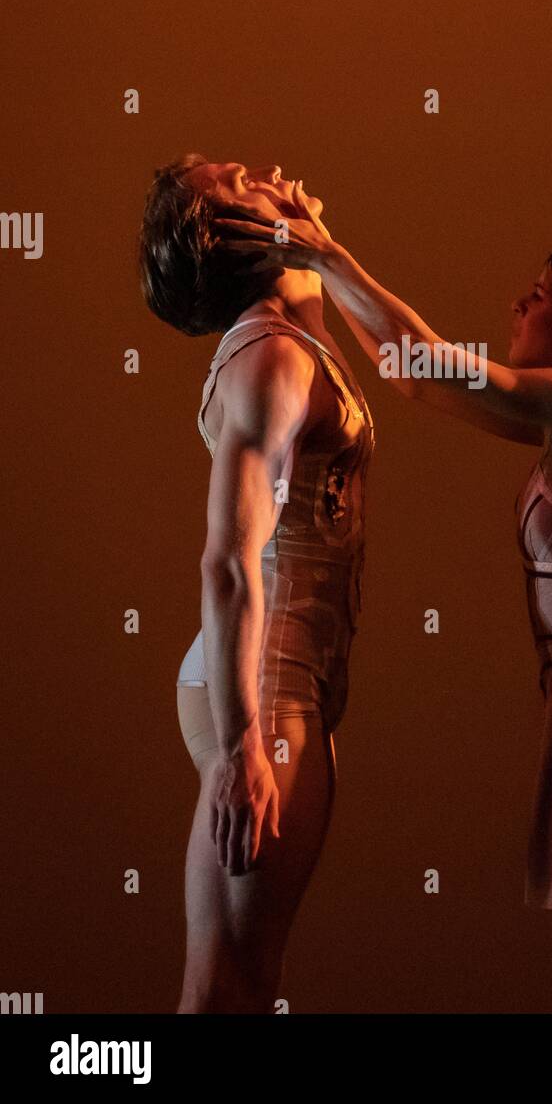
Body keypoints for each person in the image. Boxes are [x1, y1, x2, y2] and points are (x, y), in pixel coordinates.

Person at [217, 183, 552, 1015]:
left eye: (537, 298)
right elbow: (416, 376)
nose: (516, 305)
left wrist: (325, 256)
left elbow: (424, 370)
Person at [137, 155, 374, 1013]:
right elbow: (230, 560)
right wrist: (242, 746)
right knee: (228, 984)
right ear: (234, 240)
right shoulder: (270, 362)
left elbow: (383, 340)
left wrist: (312, 248)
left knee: (247, 979)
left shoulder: (293, 334)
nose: (268, 168)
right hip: (262, 695)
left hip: (281, 685)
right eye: (238, 179)